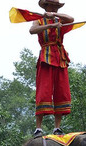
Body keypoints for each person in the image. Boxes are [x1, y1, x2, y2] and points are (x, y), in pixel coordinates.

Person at [30, 0, 75, 137]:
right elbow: (32, 30)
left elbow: (71, 19)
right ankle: (38, 128)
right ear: (46, 6)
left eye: (57, 6)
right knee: (43, 92)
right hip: (46, 58)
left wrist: (55, 17)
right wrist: (51, 23)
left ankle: (57, 127)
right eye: (53, 6)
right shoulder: (39, 20)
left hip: (60, 58)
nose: (55, 8)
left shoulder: (60, 19)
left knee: (61, 91)